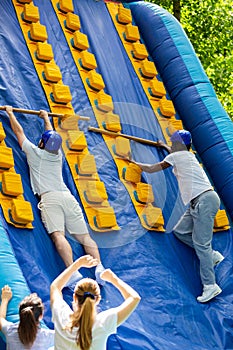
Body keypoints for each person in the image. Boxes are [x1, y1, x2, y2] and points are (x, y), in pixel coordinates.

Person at [4, 106, 105, 285]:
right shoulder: (57, 155)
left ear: (41, 144)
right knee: (84, 237)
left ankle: (72, 272)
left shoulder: (34, 153)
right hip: (68, 197)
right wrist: (45, 118)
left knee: (58, 235)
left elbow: (19, 132)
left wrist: (10, 113)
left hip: (50, 198)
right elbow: (51, 135)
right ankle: (100, 268)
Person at [132, 129, 224, 303]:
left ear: (178, 145)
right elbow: (174, 154)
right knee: (180, 232)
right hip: (199, 201)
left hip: (203, 201)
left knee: (201, 244)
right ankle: (211, 256)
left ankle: (210, 285)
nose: (171, 146)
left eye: (173, 143)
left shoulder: (177, 156)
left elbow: (153, 169)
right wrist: (164, 146)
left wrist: (135, 163)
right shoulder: (187, 156)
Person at [50, 254, 141, 350]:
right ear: (97, 299)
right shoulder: (103, 322)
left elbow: (55, 287)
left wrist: (77, 264)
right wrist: (113, 279)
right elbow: (134, 298)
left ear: (74, 297)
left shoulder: (61, 315)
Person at [0, 285, 54, 349]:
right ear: (41, 316)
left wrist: (5, 299)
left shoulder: (10, 331)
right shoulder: (49, 336)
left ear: (21, 314)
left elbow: (1, 318)